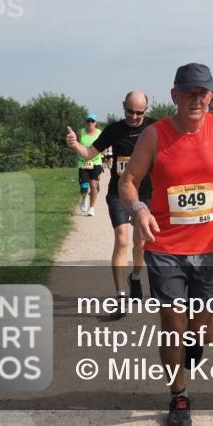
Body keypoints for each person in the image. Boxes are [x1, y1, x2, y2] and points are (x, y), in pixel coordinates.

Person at [120, 63, 213, 426]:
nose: (196, 99)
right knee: (172, 321)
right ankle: (178, 394)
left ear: (210, 96)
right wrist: (139, 208)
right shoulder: (155, 135)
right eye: (189, 92)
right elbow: (129, 180)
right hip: (164, 245)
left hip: (211, 246)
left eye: (203, 93)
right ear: (175, 95)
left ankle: (193, 347)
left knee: (203, 330)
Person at [66, 91, 155, 304]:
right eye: (130, 111)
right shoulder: (114, 130)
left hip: (145, 194)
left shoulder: (155, 128)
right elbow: (89, 153)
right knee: (122, 239)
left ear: (146, 110)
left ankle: (135, 277)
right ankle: (121, 294)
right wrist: (74, 144)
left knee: (140, 243)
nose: (134, 116)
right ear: (123, 106)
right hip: (119, 193)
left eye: (139, 113)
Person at [76, 114, 104, 216]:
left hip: (96, 162)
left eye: (92, 121)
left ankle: (92, 208)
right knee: (84, 186)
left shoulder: (100, 133)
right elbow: (75, 144)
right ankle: (84, 198)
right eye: (88, 121)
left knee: (93, 185)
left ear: (96, 123)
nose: (90, 123)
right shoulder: (80, 132)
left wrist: (104, 155)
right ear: (85, 122)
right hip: (83, 163)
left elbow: (104, 145)